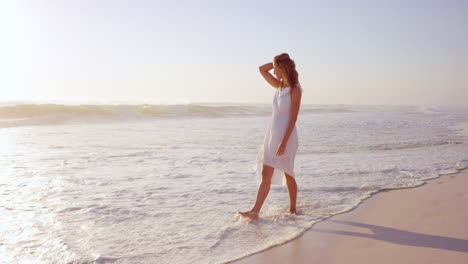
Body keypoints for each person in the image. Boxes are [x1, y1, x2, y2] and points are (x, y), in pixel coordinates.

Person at [238, 53, 302, 220]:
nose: (273, 72)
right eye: (274, 68)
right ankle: (255, 211)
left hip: (286, 136)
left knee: (288, 172)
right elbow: (261, 69)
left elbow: (293, 118)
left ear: (283, 68)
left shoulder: (295, 89)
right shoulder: (279, 86)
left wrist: (284, 142)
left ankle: (293, 210)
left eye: (276, 69)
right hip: (272, 134)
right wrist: (276, 62)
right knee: (266, 173)